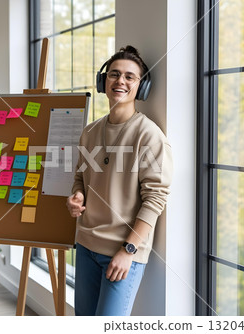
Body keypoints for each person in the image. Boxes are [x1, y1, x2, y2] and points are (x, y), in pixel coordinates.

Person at [66, 46, 173, 316]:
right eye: (114, 74)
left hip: (123, 250)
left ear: (142, 86)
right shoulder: (90, 132)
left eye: (129, 76)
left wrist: (129, 250)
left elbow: (156, 198)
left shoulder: (148, 135)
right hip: (86, 245)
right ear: (104, 81)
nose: (120, 81)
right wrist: (77, 196)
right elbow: (80, 177)